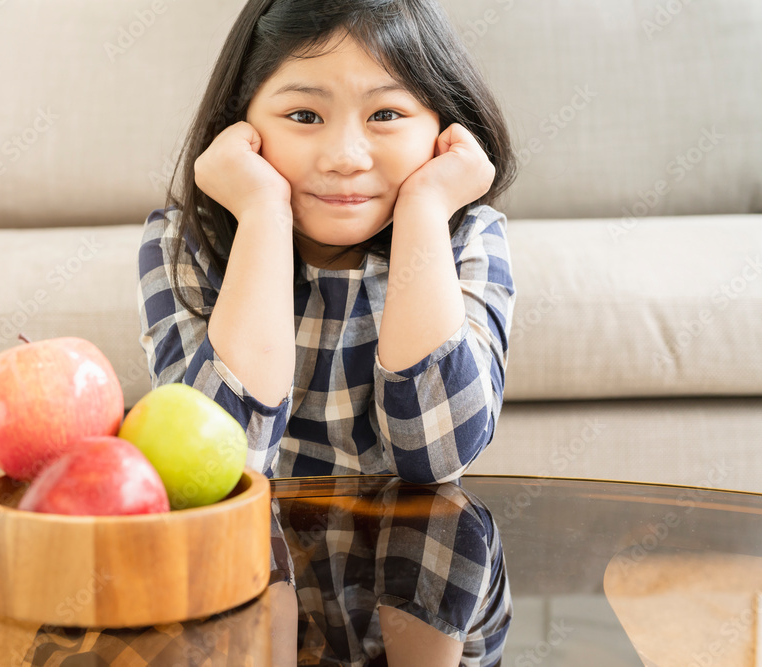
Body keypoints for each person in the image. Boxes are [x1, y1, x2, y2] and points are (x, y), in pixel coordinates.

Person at [136, 0, 517, 664]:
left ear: (441, 130)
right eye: (304, 116)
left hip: (425, 580)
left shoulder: (467, 236)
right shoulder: (182, 242)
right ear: (241, 128)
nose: (345, 157)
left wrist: (426, 209)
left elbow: (438, 455)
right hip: (252, 579)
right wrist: (260, 212)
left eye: (387, 115)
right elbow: (222, 464)